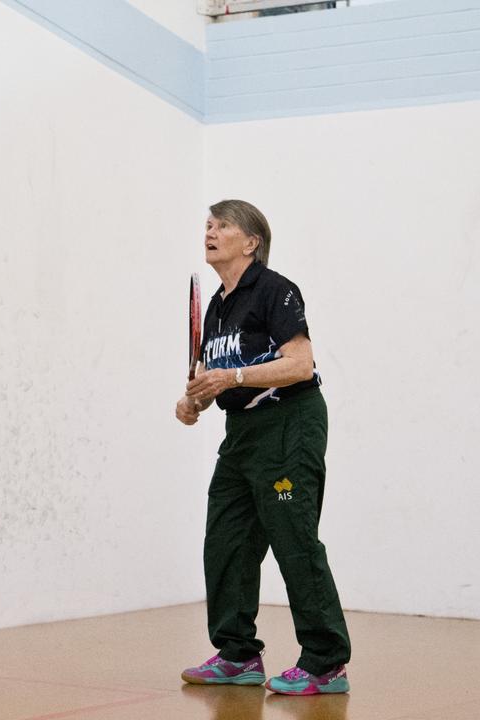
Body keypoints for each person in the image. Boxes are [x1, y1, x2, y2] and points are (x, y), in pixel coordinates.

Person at [175, 199, 350, 696]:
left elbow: (298, 364)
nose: (209, 231)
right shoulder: (217, 305)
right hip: (243, 433)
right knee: (226, 540)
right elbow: (219, 380)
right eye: (207, 224)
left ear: (251, 242)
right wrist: (193, 403)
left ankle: (325, 663)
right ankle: (237, 656)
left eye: (222, 225)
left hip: (289, 422)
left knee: (294, 538)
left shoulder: (275, 290)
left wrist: (230, 376)